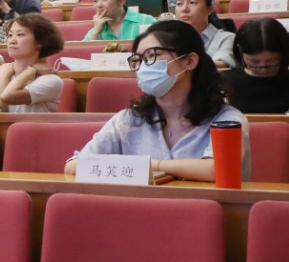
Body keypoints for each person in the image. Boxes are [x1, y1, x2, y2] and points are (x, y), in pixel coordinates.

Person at [66, 21, 249, 182]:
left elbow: (218, 169)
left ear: (190, 61)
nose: (144, 66)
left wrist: (151, 165)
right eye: (139, 59)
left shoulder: (227, 119)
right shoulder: (130, 119)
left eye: (153, 55)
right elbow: (73, 165)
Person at [0, 15, 65, 113]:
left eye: (20, 35)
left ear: (40, 42)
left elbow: (8, 96)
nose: (12, 41)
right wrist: (3, 76)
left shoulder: (51, 80)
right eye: (10, 35)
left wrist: (31, 70)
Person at [223, 19, 289, 114]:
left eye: (271, 61)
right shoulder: (225, 82)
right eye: (254, 61)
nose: (263, 68)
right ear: (240, 51)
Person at [172, 0, 236, 69]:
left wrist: (177, 66)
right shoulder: (169, 39)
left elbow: (223, 64)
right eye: (179, 3)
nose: (184, 9)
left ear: (210, 9)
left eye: (192, 2)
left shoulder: (226, 38)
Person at [86, 0, 156, 42]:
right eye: (95, 1)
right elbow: (85, 51)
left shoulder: (145, 21)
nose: (99, 5)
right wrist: (95, 33)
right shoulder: (95, 30)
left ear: (121, 1)